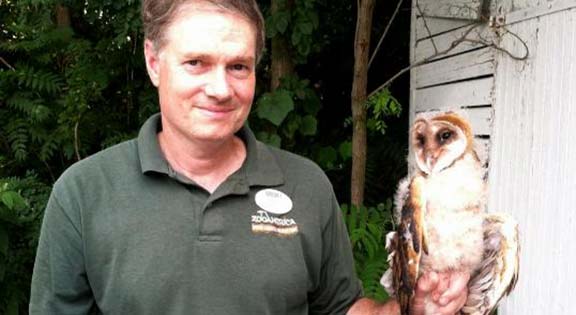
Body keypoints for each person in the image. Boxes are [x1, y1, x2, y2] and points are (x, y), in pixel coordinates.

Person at [29, 0, 468, 314]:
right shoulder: (84, 192)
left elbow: (342, 308)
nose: (221, 89)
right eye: (197, 63)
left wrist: (416, 307)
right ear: (153, 61)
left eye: (238, 66)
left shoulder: (306, 185)